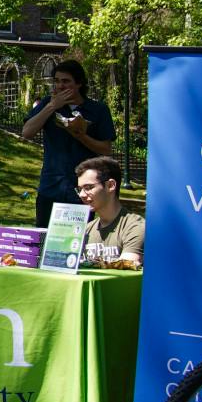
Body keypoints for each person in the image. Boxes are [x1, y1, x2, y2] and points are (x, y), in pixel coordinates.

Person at [19, 60, 116, 225]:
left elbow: (106, 149)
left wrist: (81, 136)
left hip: (81, 190)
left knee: (75, 243)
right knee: (43, 241)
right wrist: (51, 106)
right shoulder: (48, 104)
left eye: (65, 81)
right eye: (56, 81)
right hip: (51, 186)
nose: (60, 86)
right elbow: (27, 132)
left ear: (78, 83)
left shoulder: (98, 110)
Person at [74, 156, 143, 266]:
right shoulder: (86, 230)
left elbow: (128, 265)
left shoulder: (135, 226)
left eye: (88, 187)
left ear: (110, 185)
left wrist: (87, 264)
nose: (81, 195)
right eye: (79, 189)